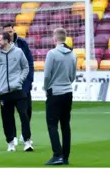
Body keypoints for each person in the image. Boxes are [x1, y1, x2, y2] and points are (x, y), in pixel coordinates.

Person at [0, 31, 33, 152]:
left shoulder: (18, 52)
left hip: (18, 90)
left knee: (24, 115)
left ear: (6, 41)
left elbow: (26, 67)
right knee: (7, 119)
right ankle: (10, 143)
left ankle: (27, 141)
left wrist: (20, 81)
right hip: (3, 92)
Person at [43, 28, 77, 165]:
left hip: (55, 92)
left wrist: (47, 88)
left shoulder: (52, 54)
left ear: (54, 39)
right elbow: (73, 75)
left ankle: (57, 155)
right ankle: (66, 156)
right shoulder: (73, 54)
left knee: (52, 124)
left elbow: (46, 75)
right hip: (68, 92)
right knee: (65, 125)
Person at [4, 22, 35, 144]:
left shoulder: (22, 44)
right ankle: (13, 136)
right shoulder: (0, 47)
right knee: (9, 112)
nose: (9, 35)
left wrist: (29, 80)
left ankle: (24, 133)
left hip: (23, 84)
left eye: (11, 32)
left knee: (27, 110)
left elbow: (29, 63)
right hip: (8, 86)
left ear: (14, 31)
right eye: (6, 33)